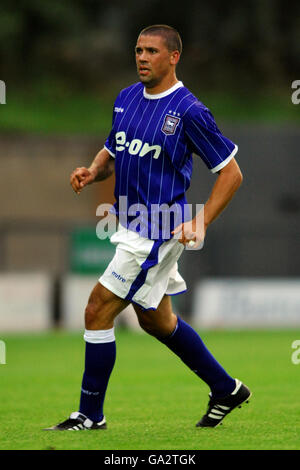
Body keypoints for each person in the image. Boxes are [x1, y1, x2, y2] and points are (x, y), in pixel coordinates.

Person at [45, 24, 251, 431]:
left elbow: (232, 173)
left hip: (159, 230)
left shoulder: (189, 110)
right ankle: (225, 388)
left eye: (152, 51)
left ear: (174, 57)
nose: (142, 57)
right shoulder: (125, 99)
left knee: (96, 309)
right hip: (131, 226)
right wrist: (93, 170)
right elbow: (113, 148)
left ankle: (90, 414)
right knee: (155, 320)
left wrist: (201, 219)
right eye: (138, 50)